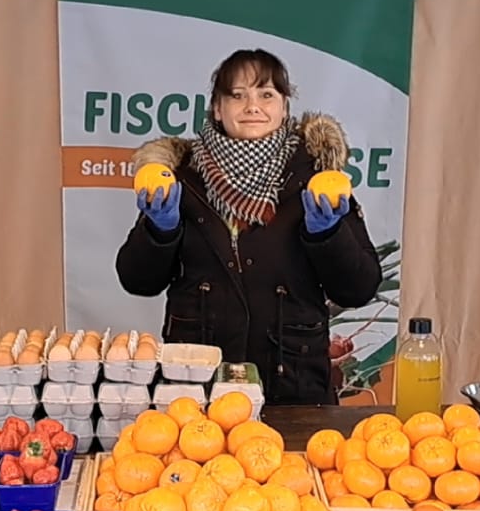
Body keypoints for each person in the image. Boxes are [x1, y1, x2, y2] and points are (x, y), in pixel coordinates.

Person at [116, 49, 380, 405]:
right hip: (198, 390)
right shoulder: (181, 179)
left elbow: (359, 288)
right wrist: (160, 231)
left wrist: (328, 235)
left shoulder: (316, 177)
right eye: (237, 95)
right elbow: (137, 280)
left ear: (284, 107)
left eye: (266, 94)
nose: (252, 106)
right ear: (216, 108)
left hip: (293, 389)